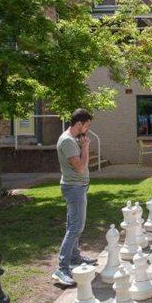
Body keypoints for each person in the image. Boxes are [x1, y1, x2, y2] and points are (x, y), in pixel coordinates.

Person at [51, 108, 97, 287]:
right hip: (74, 188)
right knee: (76, 227)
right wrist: (85, 147)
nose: (88, 128)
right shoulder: (68, 141)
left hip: (78, 187)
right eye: (87, 125)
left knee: (73, 225)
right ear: (79, 124)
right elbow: (80, 167)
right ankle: (61, 268)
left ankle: (75, 258)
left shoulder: (71, 139)